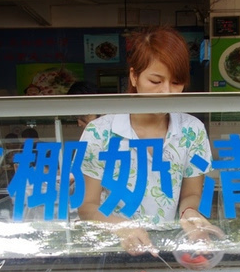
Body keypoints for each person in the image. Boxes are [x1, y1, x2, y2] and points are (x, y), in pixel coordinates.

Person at [78, 25, 222, 256]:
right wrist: (121, 227)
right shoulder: (100, 132)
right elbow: (86, 206)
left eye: (176, 83)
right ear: (134, 76)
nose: (166, 92)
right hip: (115, 249)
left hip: (170, 248)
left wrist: (189, 213)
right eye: (156, 81)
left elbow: (190, 194)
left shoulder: (192, 130)